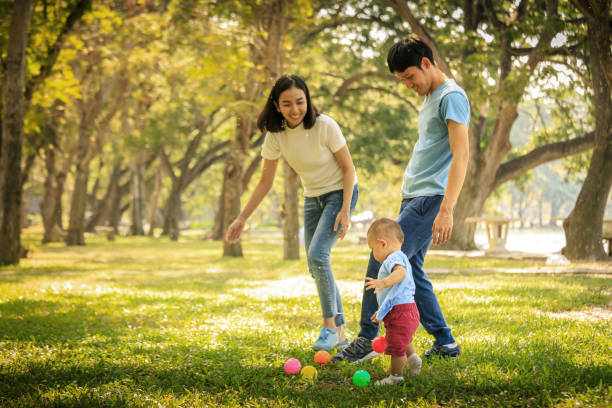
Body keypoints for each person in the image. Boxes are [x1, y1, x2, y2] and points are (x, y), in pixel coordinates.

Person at [332, 35, 470, 362]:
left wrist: (446, 209)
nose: (407, 84)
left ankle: (367, 337)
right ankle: (446, 342)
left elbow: (461, 155)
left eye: (409, 76)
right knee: (413, 271)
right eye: (401, 80)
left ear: (426, 62)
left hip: (430, 199)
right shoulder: (432, 97)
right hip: (415, 199)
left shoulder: (451, 97)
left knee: (382, 258)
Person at [225, 74, 358, 351]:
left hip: (339, 193)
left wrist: (345, 210)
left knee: (317, 255)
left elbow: (349, 169)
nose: (295, 109)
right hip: (312, 198)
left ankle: (329, 327)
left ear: (308, 100)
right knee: (316, 264)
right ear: (276, 105)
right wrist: (242, 218)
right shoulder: (276, 135)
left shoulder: (325, 126)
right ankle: (342, 332)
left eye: (300, 102)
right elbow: (265, 181)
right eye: (287, 104)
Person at [364, 218, 421, 386]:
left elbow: (400, 274)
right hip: (406, 309)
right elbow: (392, 295)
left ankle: (396, 377)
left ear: (382, 244)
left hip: (401, 311)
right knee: (404, 339)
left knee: (396, 347)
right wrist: (381, 312)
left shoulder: (393, 259)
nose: (373, 255)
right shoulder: (401, 256)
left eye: (372, 249)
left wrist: (382, 282)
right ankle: (413, 359)